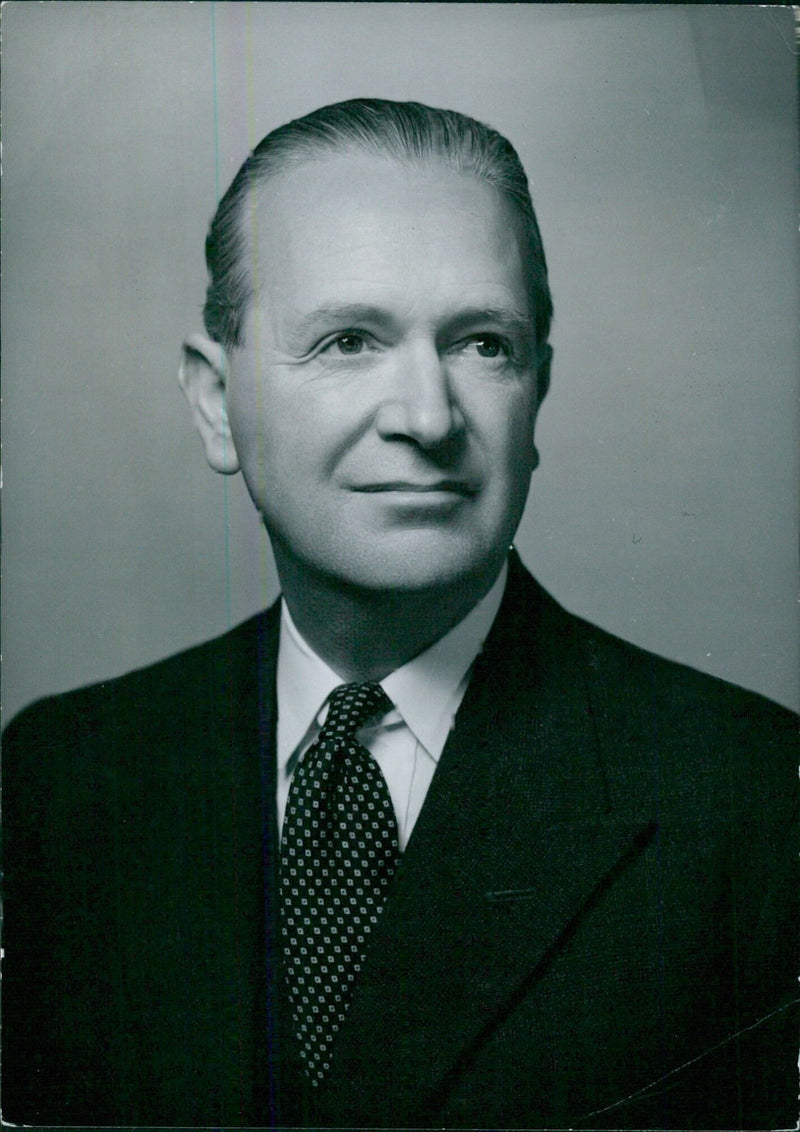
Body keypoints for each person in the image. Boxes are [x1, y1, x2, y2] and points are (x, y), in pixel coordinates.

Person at [2, 98, 796, 1130]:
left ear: (537, 393)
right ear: (213, 401)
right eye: (345, 340)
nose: (426, 416)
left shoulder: (754, 801)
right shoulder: (59, 774)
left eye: (481, 344)